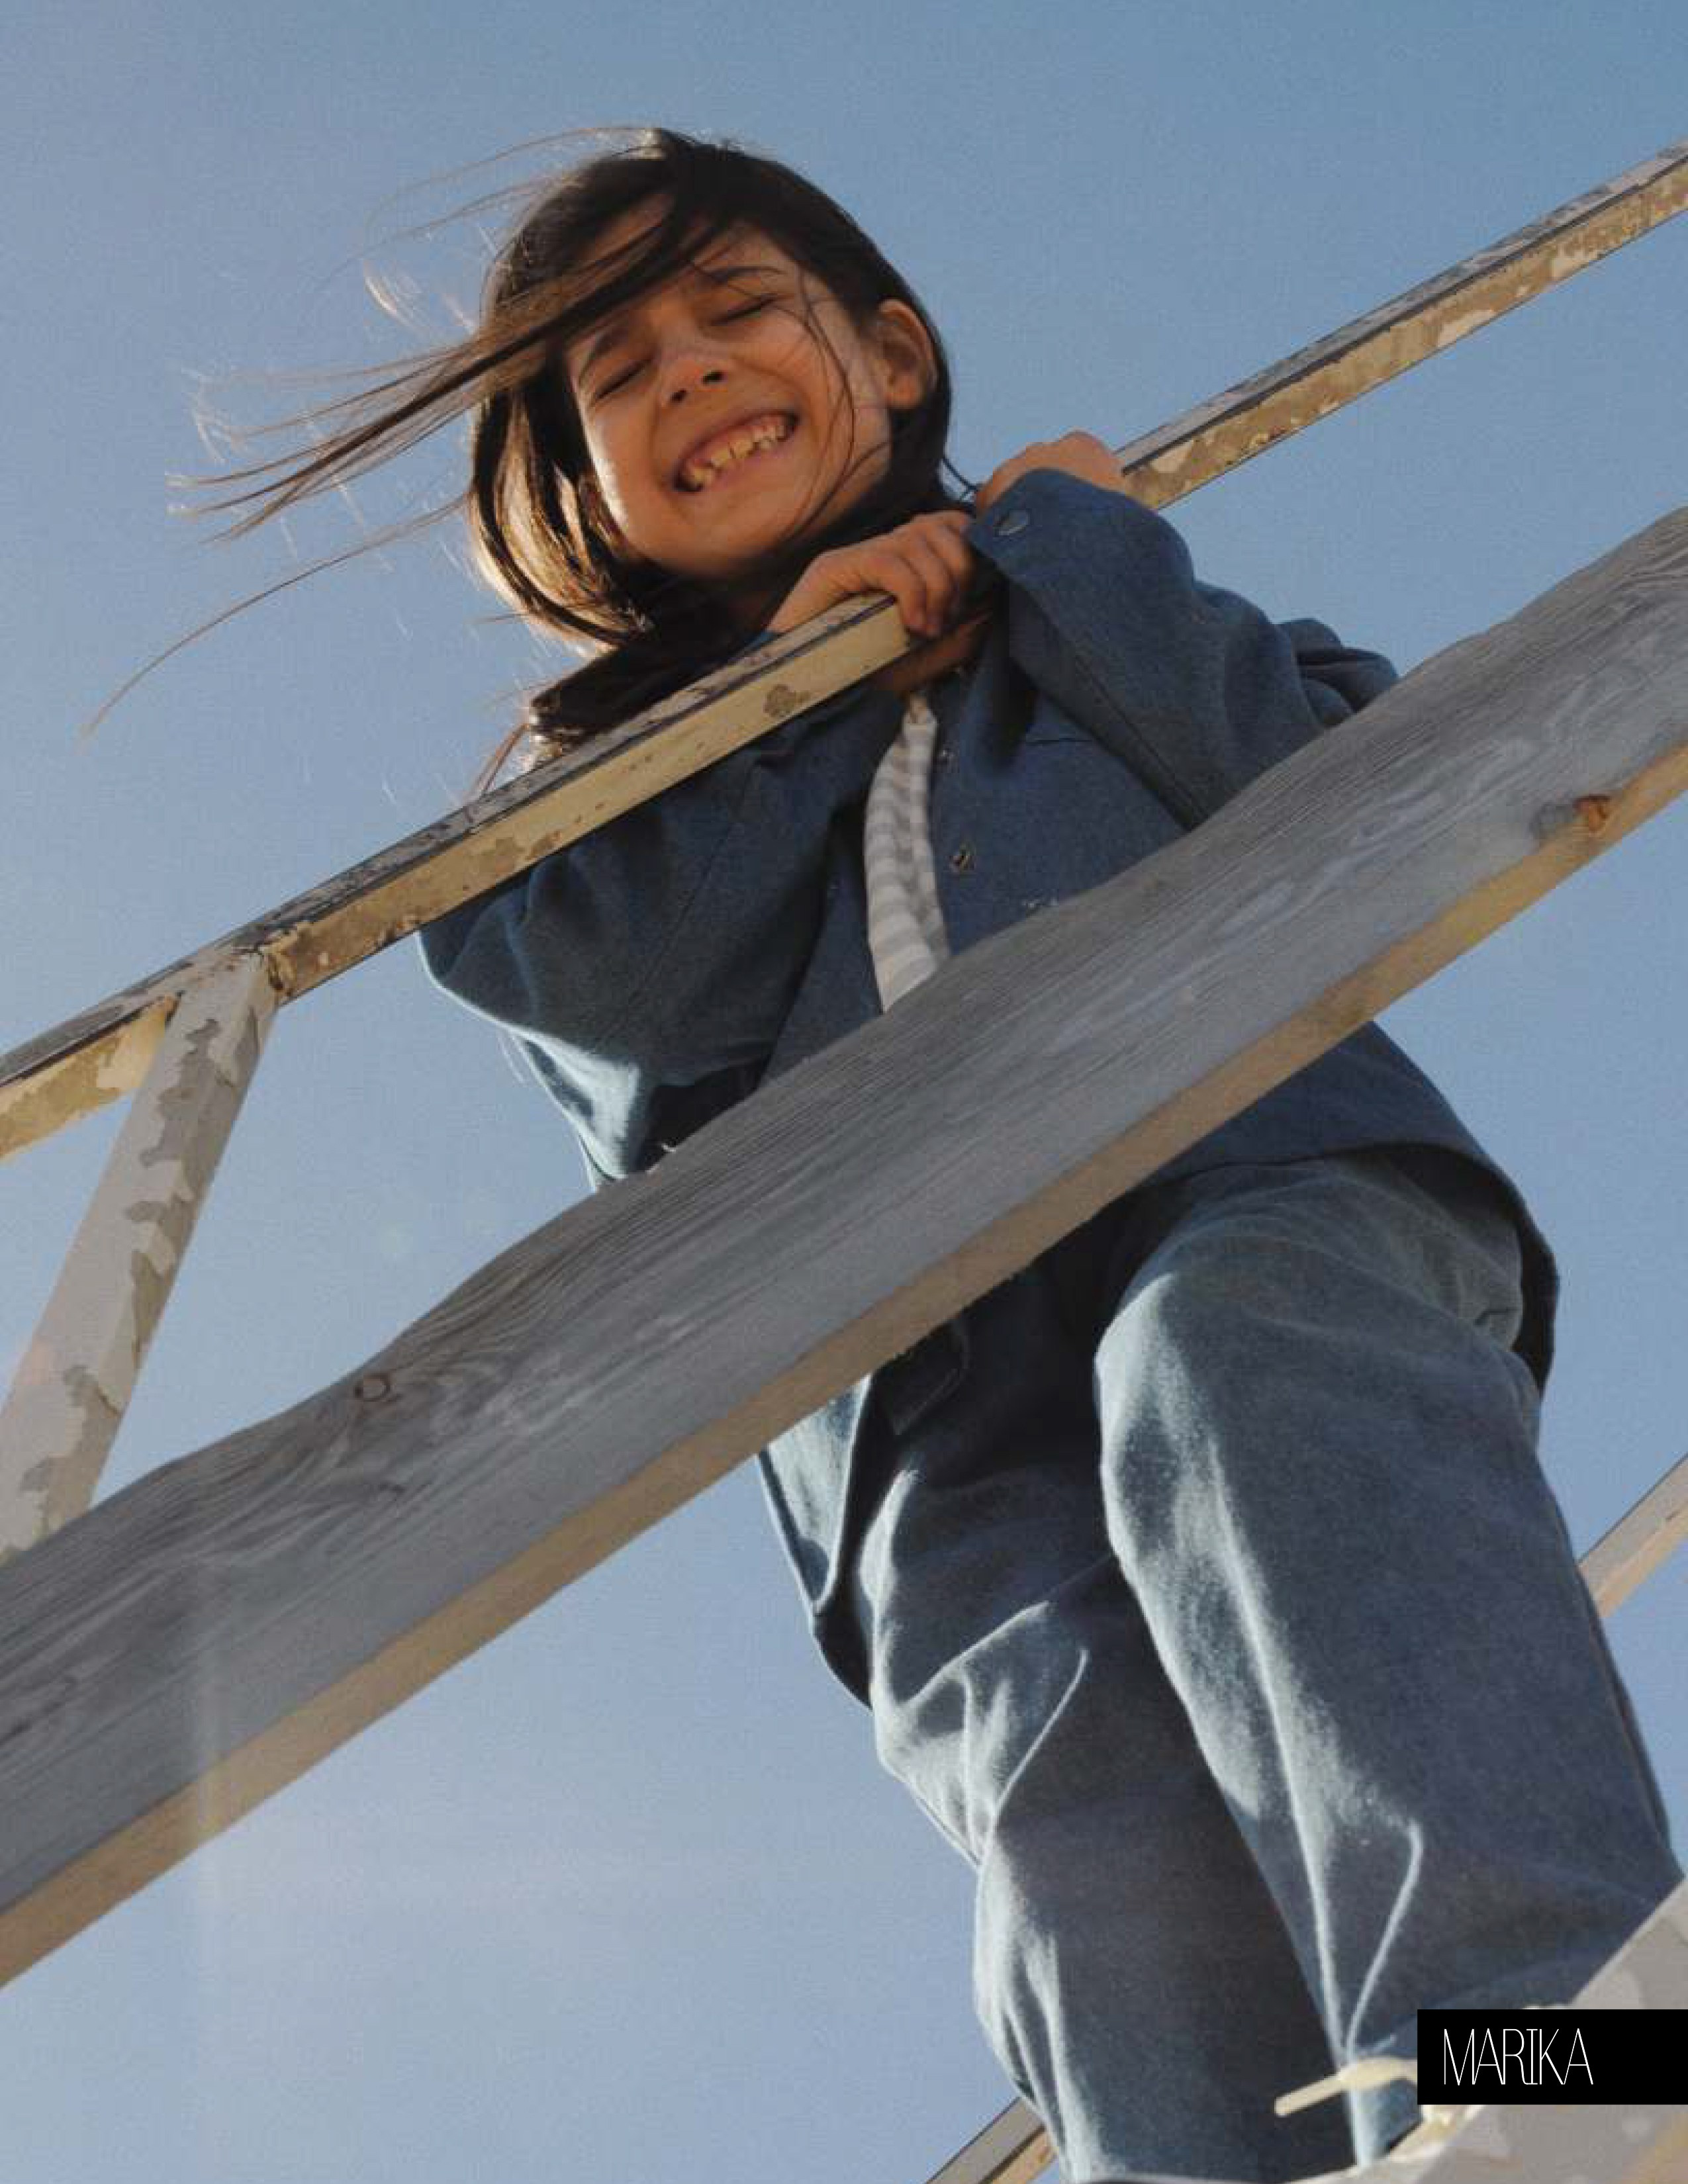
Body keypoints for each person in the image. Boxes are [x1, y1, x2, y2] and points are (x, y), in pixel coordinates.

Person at [220, 128, 1681, 2183]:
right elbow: (608, 983)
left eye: (739, 309)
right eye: (620, 372)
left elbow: (1347, 790)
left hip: (1258, 1186)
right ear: (589, 488)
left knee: (1245, 1368)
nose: (691, 370)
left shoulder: (1086, 606)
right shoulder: (595, 802)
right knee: (1071, 1766)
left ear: (894, 357)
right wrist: (802, 689)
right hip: (915, 1396)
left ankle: (1565, 2073)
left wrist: (1076, 547)